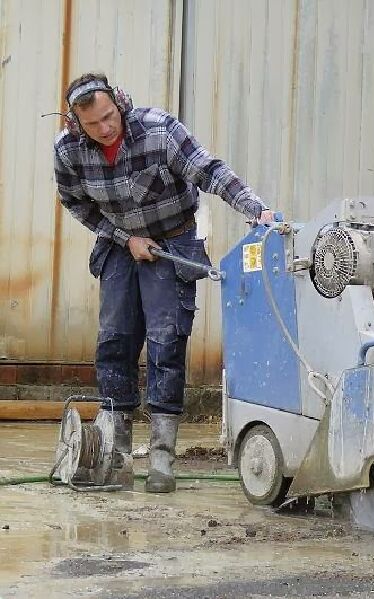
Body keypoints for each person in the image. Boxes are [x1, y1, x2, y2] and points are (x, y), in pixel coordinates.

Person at [53, 72, 274, 493]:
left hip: (172, 239)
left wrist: (254, 207)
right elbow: (75, 203)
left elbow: (208, 170)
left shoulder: (158, 130)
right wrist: (125, 238)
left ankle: (161, 458)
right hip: (120, 244)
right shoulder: (68, 152)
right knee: (114, 343)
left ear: (118, 102)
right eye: (94, 124)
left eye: (108, 116)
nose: (105, 128)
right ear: (77, 124)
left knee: (165, 343)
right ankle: (116, 455)